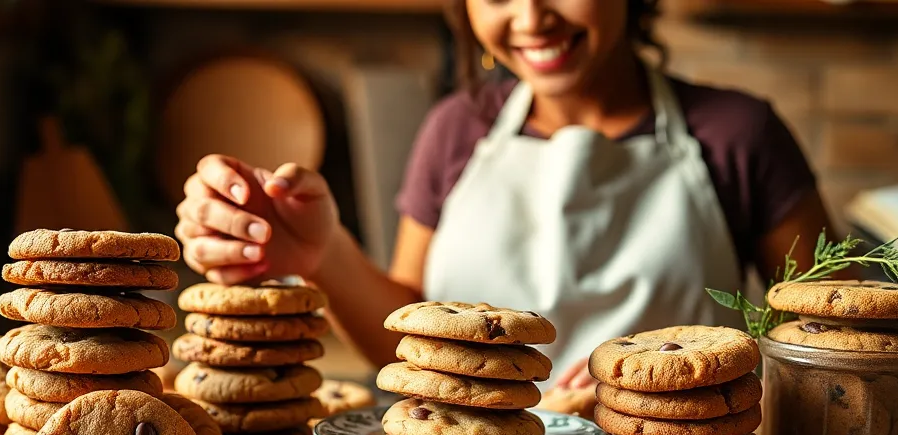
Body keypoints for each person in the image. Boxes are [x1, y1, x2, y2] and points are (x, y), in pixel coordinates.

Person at [174, 0, 832, 393]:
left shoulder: (739, 133)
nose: (530, 18)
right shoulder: (456, 128)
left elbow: (836, 342)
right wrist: (321, 254)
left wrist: (669, 403)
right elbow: (417, 342)